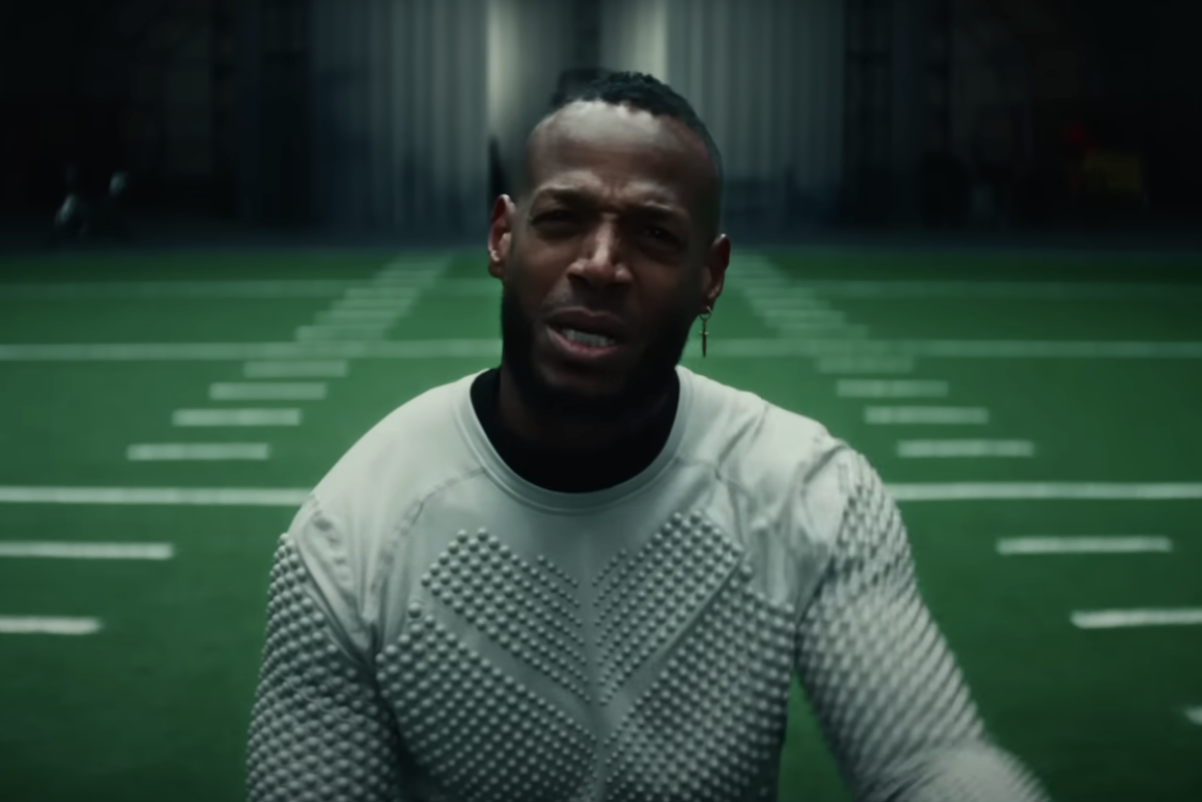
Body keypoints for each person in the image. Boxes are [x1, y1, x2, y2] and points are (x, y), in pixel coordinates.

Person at [246, 71, 1051, 802]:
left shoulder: (810, 495)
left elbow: (925, 763)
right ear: (502, 237)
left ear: (711, 276)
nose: (601, 264)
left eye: (655, 235)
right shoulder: (353, 531)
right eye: (562, 220)